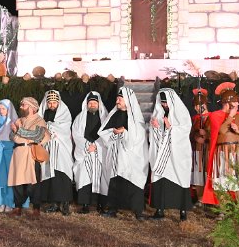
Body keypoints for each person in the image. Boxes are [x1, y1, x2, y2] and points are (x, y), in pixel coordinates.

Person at [99, 86, 149, 220]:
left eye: (120, 99)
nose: (117, 102)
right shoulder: (114, 114)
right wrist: (113, 133)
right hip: (116, 155)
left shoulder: (135, 118)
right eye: (117, 99)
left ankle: (138, 212)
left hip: (130, 157)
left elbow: (138, 137)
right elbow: (103, 132)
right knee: (115, 182)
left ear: (127, 100)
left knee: (133, 182)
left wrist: (124, 132)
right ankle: (112, 209)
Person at [201, 85, 239, 207]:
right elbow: (222, 130)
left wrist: (238, 131)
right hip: (222, 151)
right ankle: (223, 209)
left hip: (237, 150)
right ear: (228, 103)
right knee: (222, 180)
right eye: (235, 102)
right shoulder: (215, 115)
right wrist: (229, 117)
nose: (238, 104)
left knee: (238, 179)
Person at [147, 88, 193, 221]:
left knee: (179, 178)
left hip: (177, 154)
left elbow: (185, 129)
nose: (164, 105)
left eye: (166, 102)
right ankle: (159, 209)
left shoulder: (181, 112)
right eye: (162, 102)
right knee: (160, 179)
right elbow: (155, 134)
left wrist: (171, 128)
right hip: (161, 154)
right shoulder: (158, 113)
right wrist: (155, 127)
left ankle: (182, 211)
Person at [8, 97, 47, 218]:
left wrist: (19, 130)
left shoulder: (39, 121)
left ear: (32, 107)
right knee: (17, 181)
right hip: (18, 153)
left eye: (23, 105)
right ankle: (18, 207)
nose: (21, 107)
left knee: (33, 182)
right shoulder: (19, 120)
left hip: (31, 153)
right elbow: (11, 136)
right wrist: (19, 133)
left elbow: (37, 136)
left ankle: (36, 208)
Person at [37, 90, 75, 215]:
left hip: (61, 148)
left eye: (54, 102)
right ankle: (53, 203)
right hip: (48, 148)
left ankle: (65, 204)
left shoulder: (64, 113)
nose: (52, 105)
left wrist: (50, 128)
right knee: (50, 176)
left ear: (58, 103)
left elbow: (65, 127)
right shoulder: (43, 114)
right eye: (50, 103)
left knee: (62, 174)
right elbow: (39, 127)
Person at [72, 91, 107, 214]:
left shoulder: (105, 117)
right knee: (84, 177)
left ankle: (100, 205)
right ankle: (85, 205)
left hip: (100, 152)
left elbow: (107, 134)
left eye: (94, 103)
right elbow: (76, 134)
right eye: (90, 103)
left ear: (99, 104)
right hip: (85, 151)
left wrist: (96, 145)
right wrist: (87, 146)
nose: (92, 105)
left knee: (101, 178)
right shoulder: (79, 118)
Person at [189, 88, 209, 203]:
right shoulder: (195, 119)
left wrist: (205, 134)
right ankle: (200, 198)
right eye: (195, 105)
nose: (197, 108)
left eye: (199, 105)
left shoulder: (211, 117)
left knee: (207, 173)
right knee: (198, 173)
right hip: (197, 149)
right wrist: (196, 137)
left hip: (207, 149)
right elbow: (191, 134)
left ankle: (209, 198)